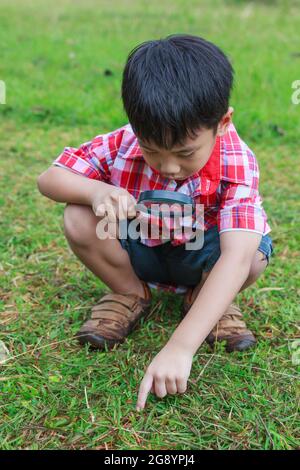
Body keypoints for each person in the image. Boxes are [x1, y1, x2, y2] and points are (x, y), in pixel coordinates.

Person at [37, 34, 274, 410]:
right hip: (141, 252)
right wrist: (96, 193)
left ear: (223, 122)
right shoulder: (122, 143)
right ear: (135, 125)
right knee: (77, 214)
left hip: (204, 261)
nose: (168, 166)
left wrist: (180, 347)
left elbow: (237, 256)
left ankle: (206, 299)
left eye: (185, 153)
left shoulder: (237, 162)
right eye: (152, 150)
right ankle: (130, 292)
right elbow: (49, 178)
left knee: (254, 251)